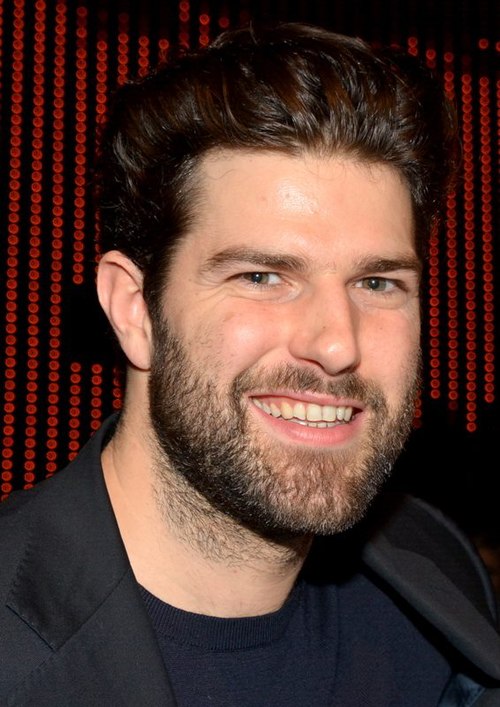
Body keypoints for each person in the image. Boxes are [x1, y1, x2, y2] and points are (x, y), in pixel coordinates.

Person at [0, 22, 499, 706]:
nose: (337, 344)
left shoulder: (436, 576)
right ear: (135, 310)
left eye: (378, 282)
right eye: (263, 277)